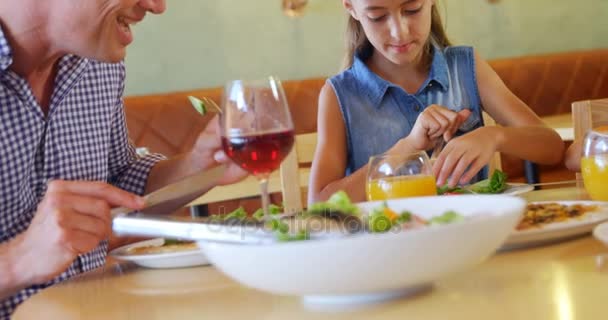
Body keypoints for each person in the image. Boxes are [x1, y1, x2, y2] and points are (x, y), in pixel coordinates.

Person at [0, 0, 246, 317]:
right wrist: (20, 260)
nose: (156, 6)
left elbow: (120, 189)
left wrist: (197, 166)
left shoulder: (99, 66)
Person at [308, 0, 565, 203]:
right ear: (351, 8)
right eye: (377, 16)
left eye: (412, 9)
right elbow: (321, 205)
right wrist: (407, 147)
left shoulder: (466, 66)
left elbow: (552, 146)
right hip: (386, 254)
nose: (400, 31)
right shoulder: (338, 94)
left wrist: (494, 136)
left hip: (471, 244)